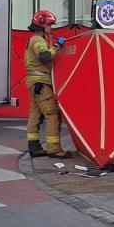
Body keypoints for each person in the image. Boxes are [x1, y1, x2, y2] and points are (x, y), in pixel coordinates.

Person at [25, 9, 72, 159]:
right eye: (50, 25)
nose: (51, 28)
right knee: (53, 115)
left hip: (34, 83)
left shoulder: (34, 39)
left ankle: (34, 147)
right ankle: (54, 149)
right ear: (42, 25)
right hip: (41, 83)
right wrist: (57, 46)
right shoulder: (38, 40)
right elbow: (44, 56)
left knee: (35, 116)